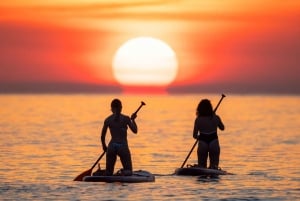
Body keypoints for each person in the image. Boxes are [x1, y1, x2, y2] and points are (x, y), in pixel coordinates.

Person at [101, 99, 138, 176]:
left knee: (108, 173)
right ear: (121, 107)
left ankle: (109, 174)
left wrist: (104, 146)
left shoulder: (108, 120)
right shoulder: (126, 119)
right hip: (122, 146)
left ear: (111, 108)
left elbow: (102, 136)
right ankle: (121, 173)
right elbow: (135, 131)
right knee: (129, 171)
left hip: (111, 146)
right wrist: (133, 120)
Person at [193, 99, 225, 169]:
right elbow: (222, 128)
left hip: (202, 143)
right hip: (214, 142)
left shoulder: (198, 120)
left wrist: (199, 137)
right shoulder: (216, 118)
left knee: (202, 167)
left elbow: (194, 135)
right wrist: (216, 117)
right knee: (214, 167)